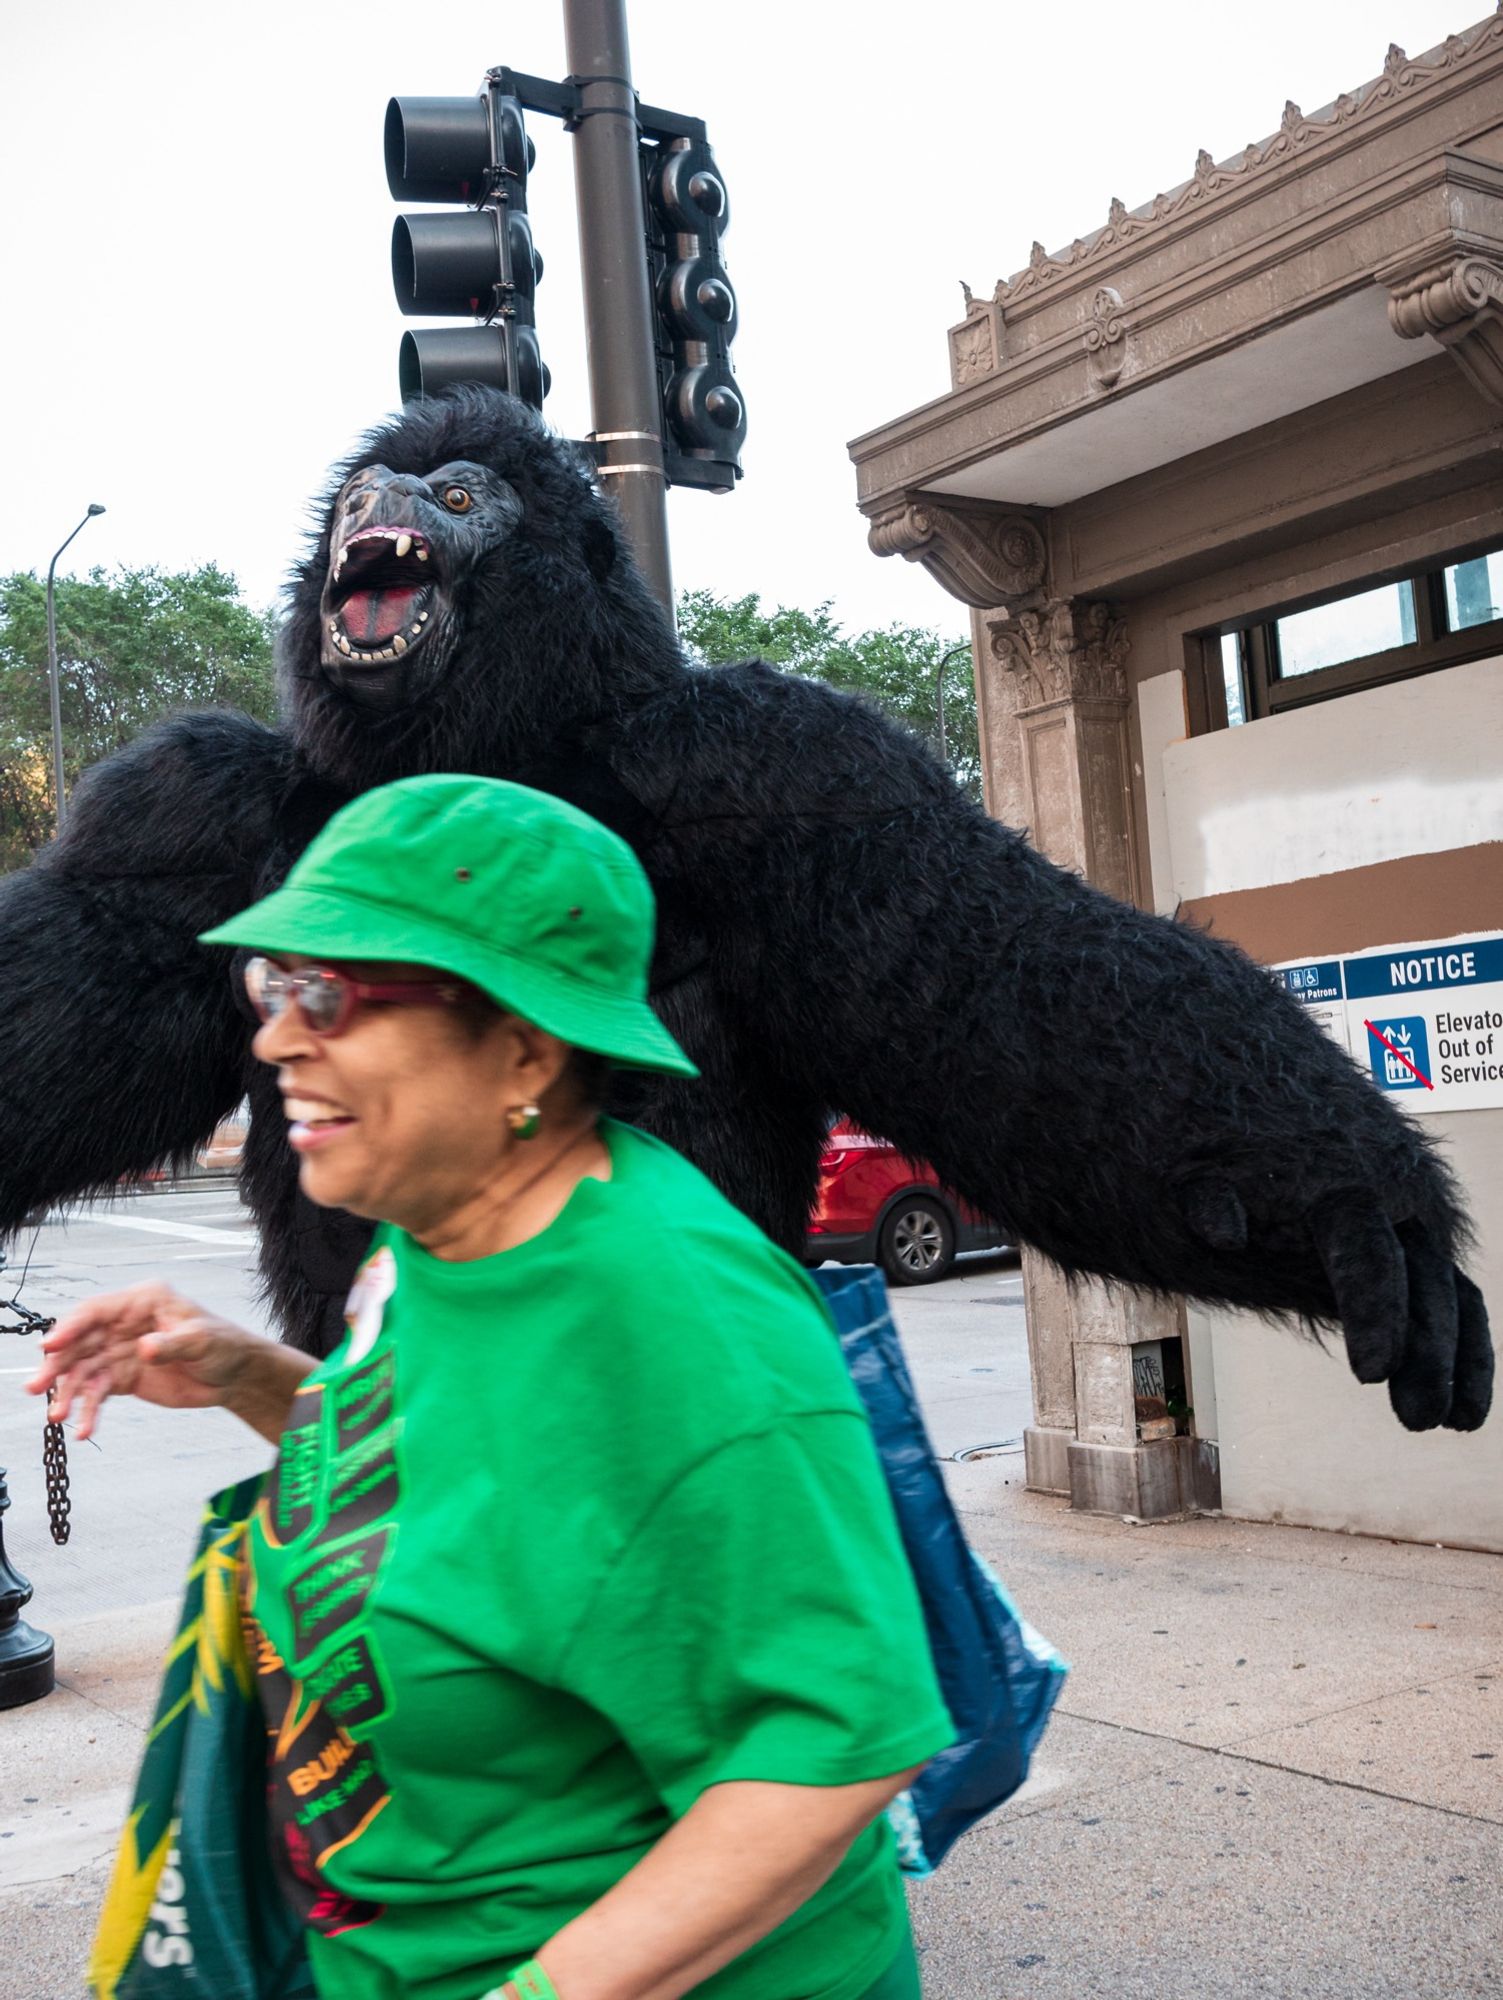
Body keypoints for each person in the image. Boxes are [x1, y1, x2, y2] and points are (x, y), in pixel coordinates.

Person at [30, 774, 954, 2000]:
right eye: (270, 984)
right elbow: (472, 1480)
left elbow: (830, 1747)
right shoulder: (438, 1227)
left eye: (333, 991)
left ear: (523, 1043)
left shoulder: (677, 1320)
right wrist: (249, 1372)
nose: (274, 1035)